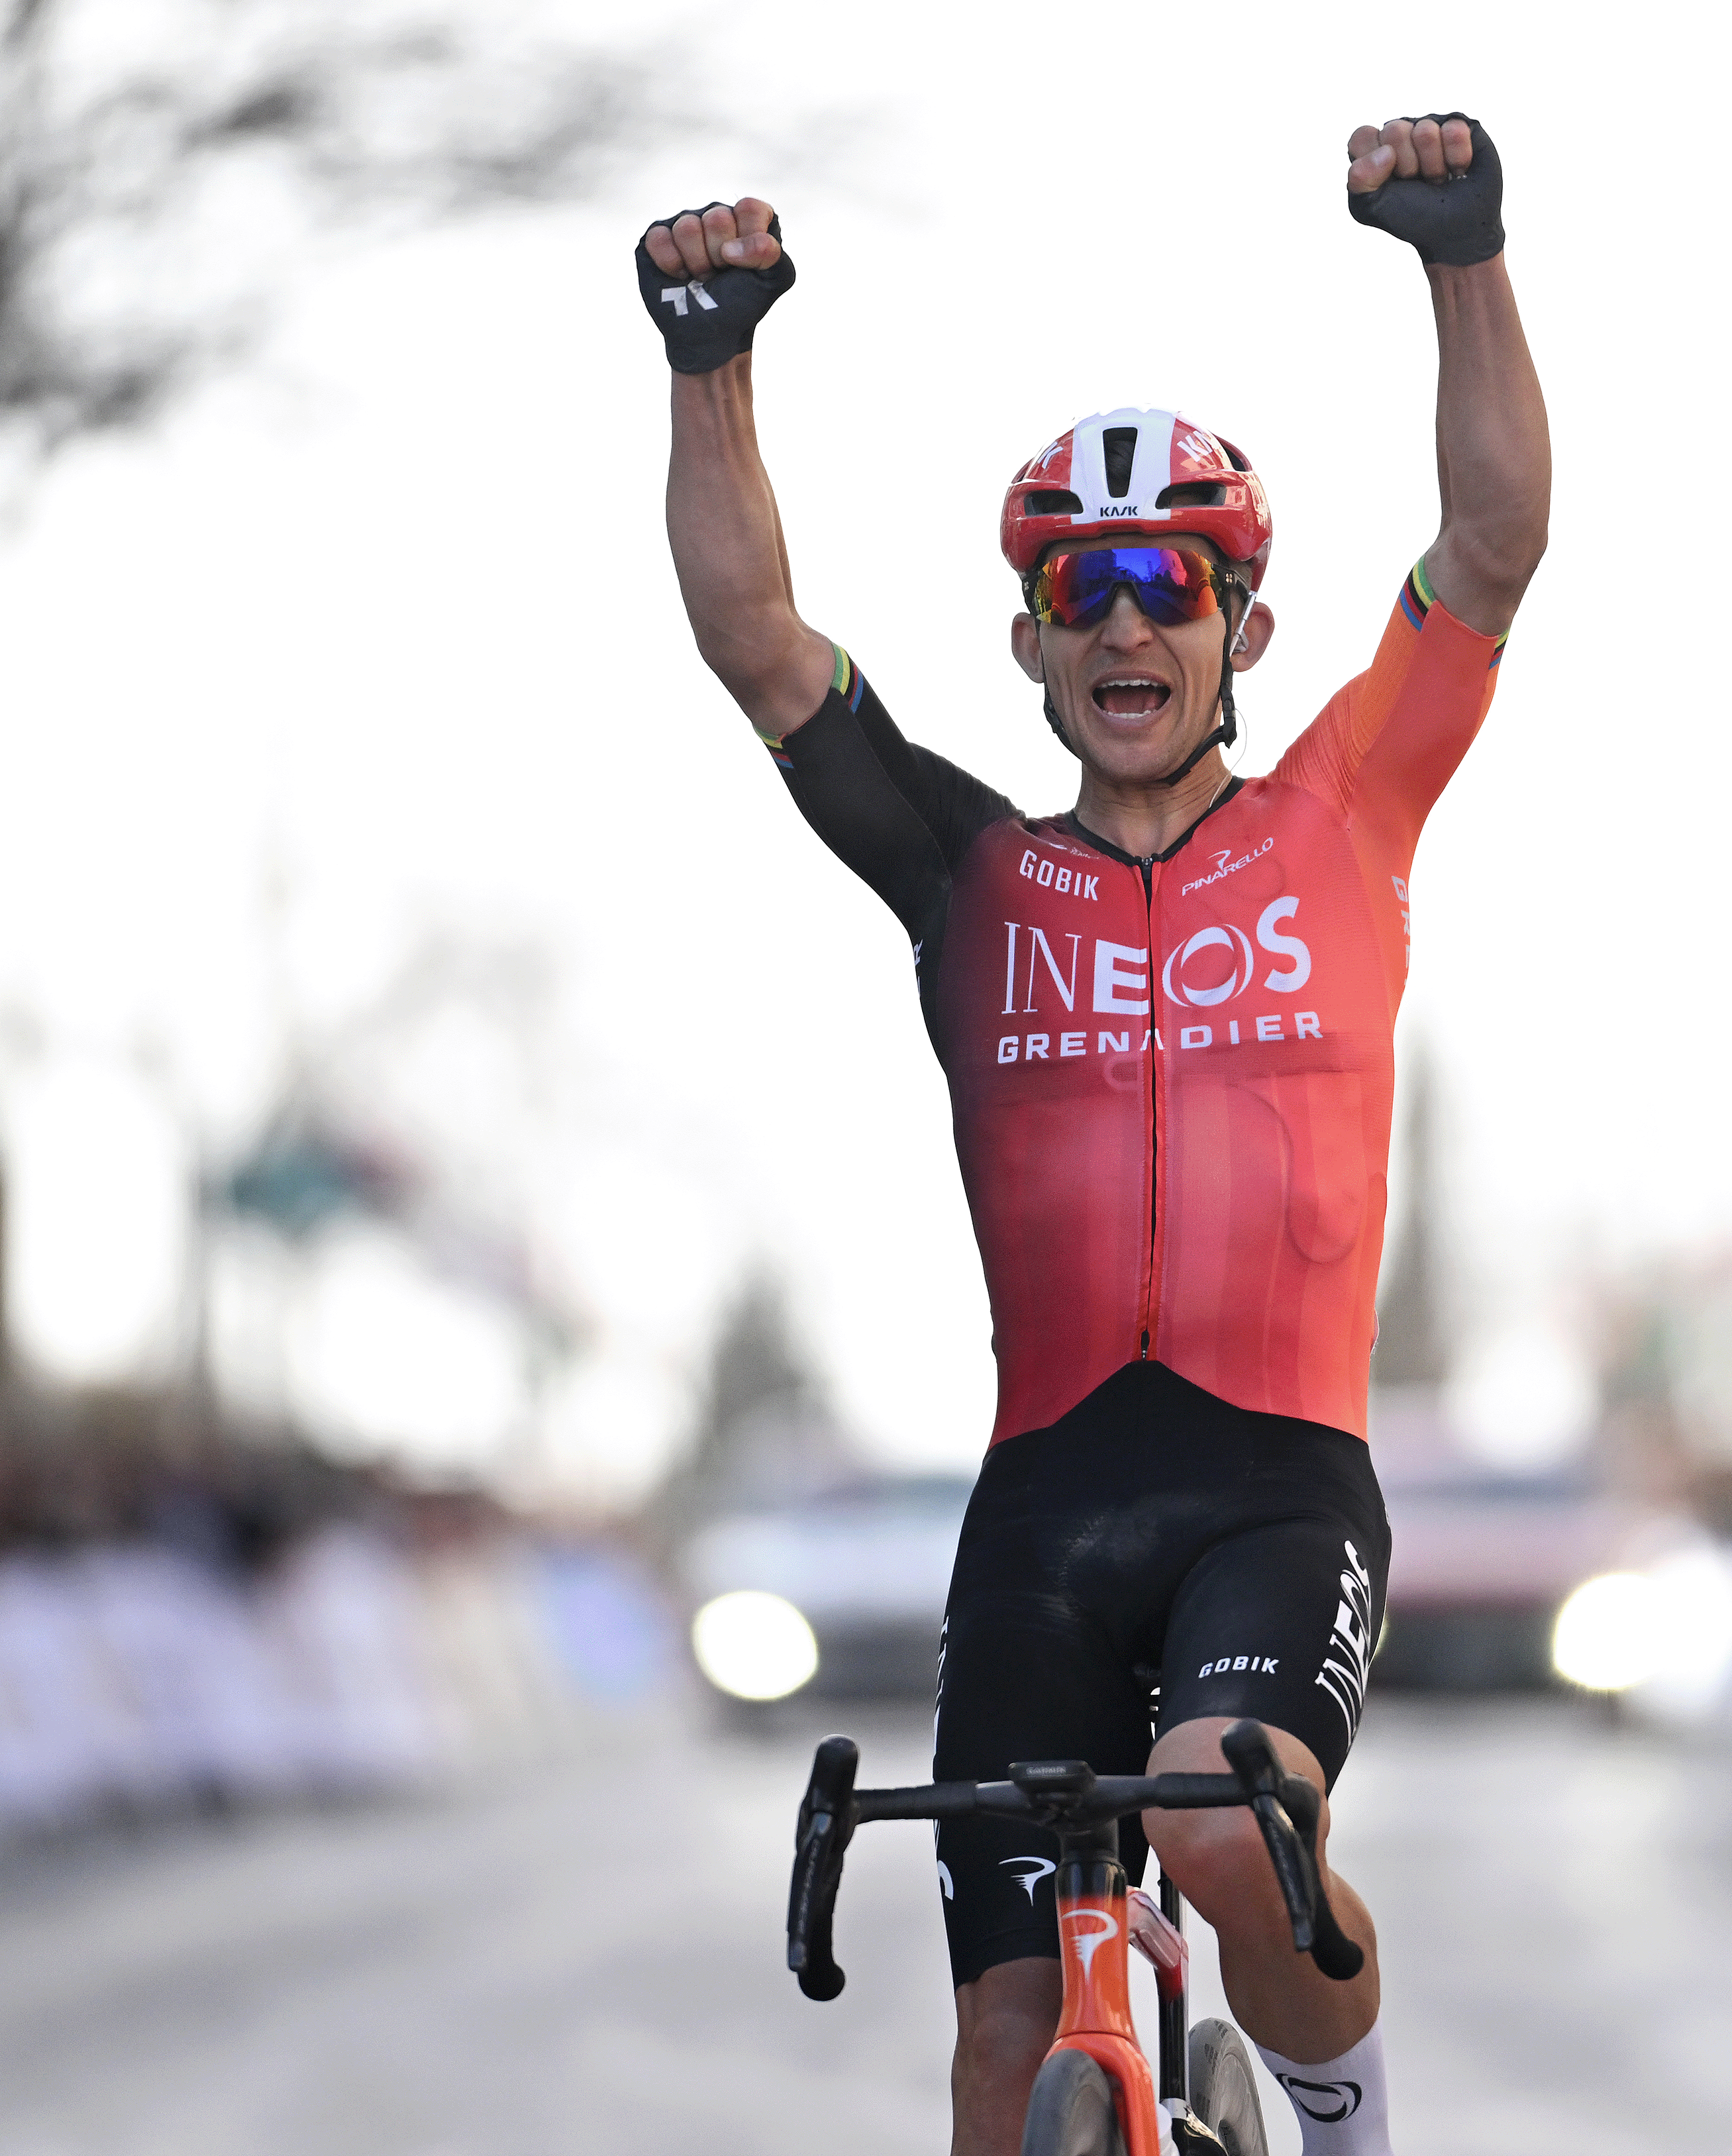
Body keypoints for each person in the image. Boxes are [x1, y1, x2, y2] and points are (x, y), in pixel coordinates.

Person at [637, 113, 1549, 2156]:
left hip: (1272, 1484)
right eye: (1083, 590)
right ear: (1032, 638)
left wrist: (1462, 257)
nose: (1128, 628)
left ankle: (1340, 2128)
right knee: (989, 2060)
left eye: (1170, 587)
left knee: (1234, 1834)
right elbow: (756, 639)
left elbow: (1490, 549)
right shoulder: (966, 873)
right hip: (1041, 1515)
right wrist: (712, 366)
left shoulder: (1342, 824)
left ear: (1243, 626)